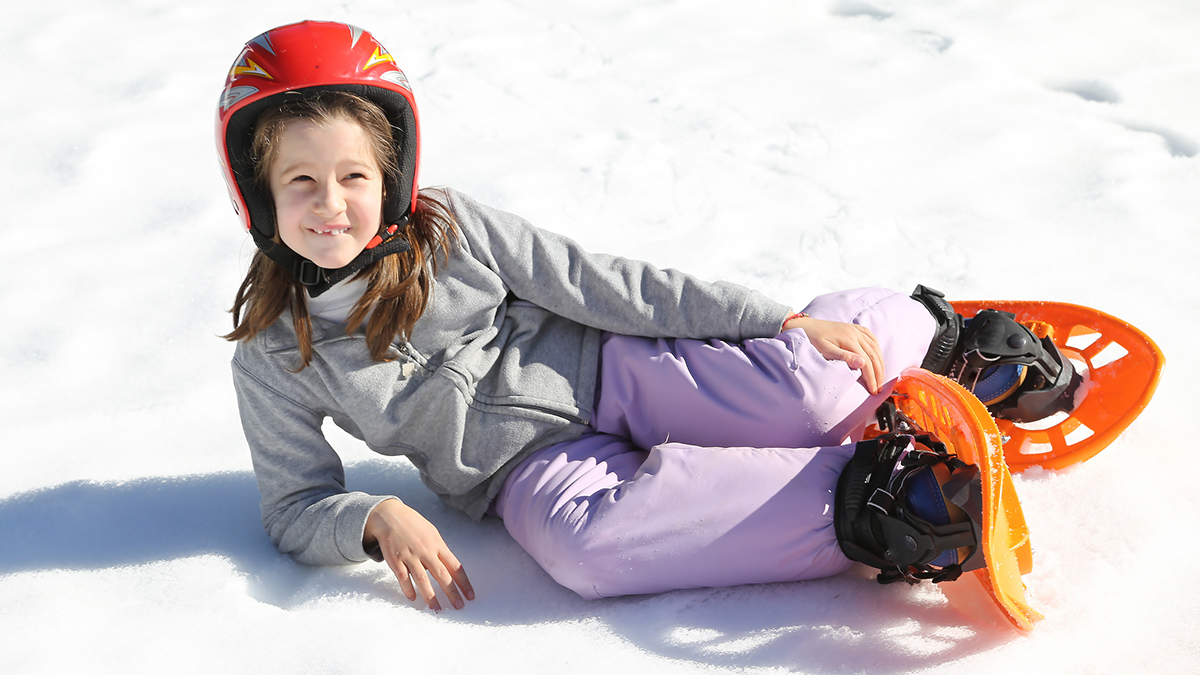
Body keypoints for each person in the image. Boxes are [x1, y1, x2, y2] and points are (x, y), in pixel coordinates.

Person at [217, 21, 1079, 612]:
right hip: (518, 468)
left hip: (613, 366)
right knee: (589, 556)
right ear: (260, 193)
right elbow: (294, 505)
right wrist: (369, 516)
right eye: (301, 181)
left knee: (810, 398)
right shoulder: (271, 354)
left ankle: (935, 339)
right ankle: (877, 503)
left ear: (391, 175)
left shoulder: (453, 227)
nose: (331, 203)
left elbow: (604, 283)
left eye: (353, 176)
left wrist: (780, 318)